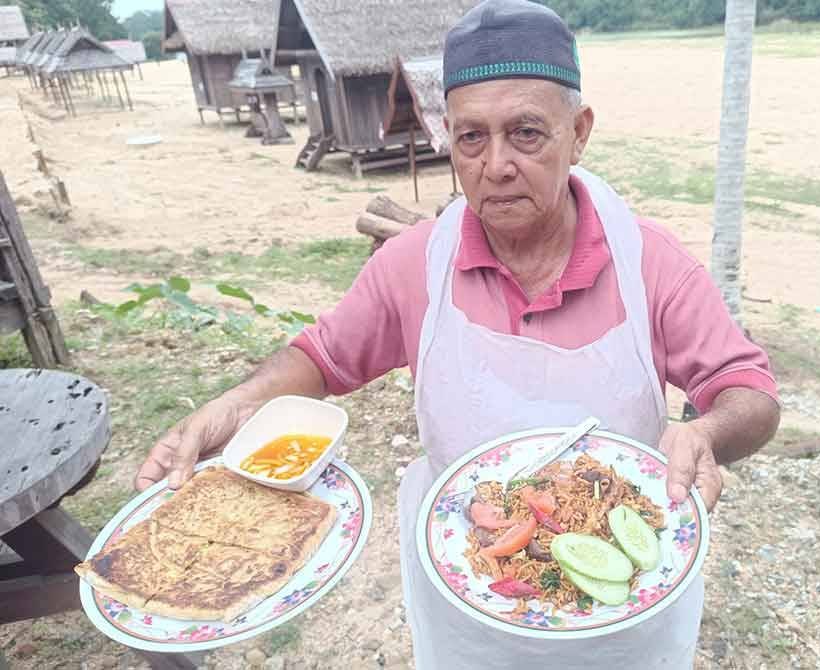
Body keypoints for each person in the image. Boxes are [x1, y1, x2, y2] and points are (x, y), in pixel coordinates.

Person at [135, 1, 781, 666]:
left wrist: (706, 432)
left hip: (618, 610)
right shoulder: (414, 265)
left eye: (526, 133)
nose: (494, 164)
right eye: (471, 138)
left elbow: (750, 393)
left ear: (579, 132)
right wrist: (238, 405)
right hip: (467, 609)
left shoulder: (649, 262)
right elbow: (320, 359)